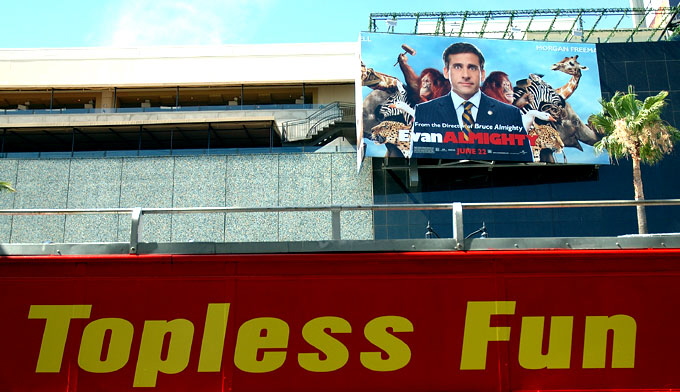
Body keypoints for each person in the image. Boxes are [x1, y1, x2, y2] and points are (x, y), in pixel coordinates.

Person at [411, 42, 533, 162]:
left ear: (482, 74)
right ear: (446, 72)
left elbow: (523, 161)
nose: (465, 75)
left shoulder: (510, 114)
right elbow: (418, 163)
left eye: (472, 68)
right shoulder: (424, 112)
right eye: (458, 67)